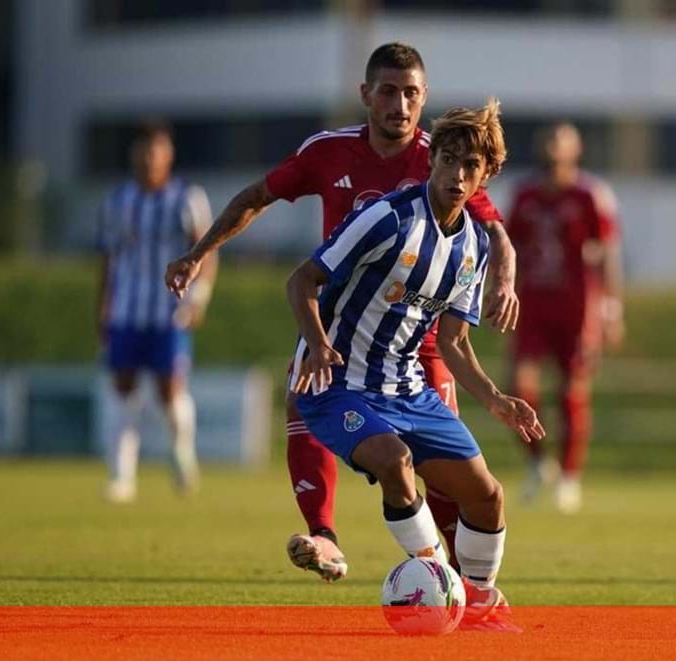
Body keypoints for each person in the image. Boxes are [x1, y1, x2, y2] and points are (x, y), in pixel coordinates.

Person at [164, 43, 519, 581]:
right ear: (366, 95)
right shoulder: (329, 152)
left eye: (412, 94)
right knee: (303, 400)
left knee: (449, 478)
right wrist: (200, 252)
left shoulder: (444, 156)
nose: (400, 104)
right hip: (339, 323)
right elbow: (257, 197)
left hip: (421, 338)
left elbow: (491, 232)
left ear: (424, 100)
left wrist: (504, 282)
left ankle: (460, 586)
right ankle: (327, 537)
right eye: (389, 92)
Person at [285, 98, 540, 629]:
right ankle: (436, 580)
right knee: (396, 462)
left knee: (487, 496)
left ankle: (480, 602)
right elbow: (301, 281)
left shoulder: (473, 246)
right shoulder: (385, 218)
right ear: (433, 160)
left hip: (409, 389)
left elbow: (453, 343)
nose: (456, 173)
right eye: (448, 159)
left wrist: (494, 398)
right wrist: (317, 343)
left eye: (470, 167)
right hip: (338, 384)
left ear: (485, 176)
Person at [505, 122, 625, 514]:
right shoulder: (524, 195)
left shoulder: (591, 194)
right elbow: (508, 249)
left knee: (572, 391)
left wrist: (611, 308)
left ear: (577, 149)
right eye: (550, 139)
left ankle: (570, 477)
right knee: (518, 386)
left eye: (563, 139)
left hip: (578, 307)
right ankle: (540, 463)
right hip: (534, 304)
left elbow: (608, 252)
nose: (555, 146)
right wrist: (499, 292)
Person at [96, 120, 216, 503]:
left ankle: (182, 457)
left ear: (169, 155)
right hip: (127, 312)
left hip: (169, 311)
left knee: (169, 391)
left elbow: (207, 252)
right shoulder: (118, 201)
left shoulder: (187, 198)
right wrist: (102, 308)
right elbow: (109, 260)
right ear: (134, 155)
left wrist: (199, 298)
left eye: (157, 150)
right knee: (122, 388)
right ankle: (122, 476)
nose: (150, 158)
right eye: (144, 151)